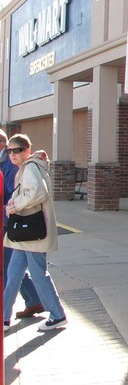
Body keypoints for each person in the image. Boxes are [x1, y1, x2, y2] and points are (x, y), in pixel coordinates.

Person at [3, 134, 68, 332]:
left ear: (27, 150)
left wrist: (13, 205)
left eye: (18, 150)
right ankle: (4, 317)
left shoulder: (31, 167)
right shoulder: (28, 167)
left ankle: (57, 315)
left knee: (37, 273)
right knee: (14, 274)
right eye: (10, 150)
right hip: (26, 234)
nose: (13, 154)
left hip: (32, 232)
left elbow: (38, 192)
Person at [0, 129, 44, 318]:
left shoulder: (13, 165)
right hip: (14, 222)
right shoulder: (8, 161)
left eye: (14, 151)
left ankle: (35, 302)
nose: (12, 154)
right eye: (11, 151)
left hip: (14, 223)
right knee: (14, 266)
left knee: (11, 267)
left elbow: (14, 192)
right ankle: (35, 301)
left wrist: (7, 216)